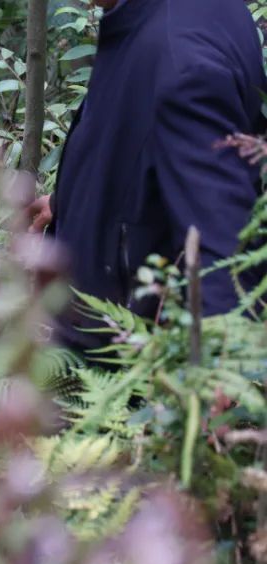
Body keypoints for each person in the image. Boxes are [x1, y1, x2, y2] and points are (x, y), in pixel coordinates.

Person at [27, 0, 267, 354]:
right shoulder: (174, 14)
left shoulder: (181, 59)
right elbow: (137, 137)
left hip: (123, 366)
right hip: (108, 331)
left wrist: (216, 374)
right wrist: (73, 204)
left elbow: (224, 245)